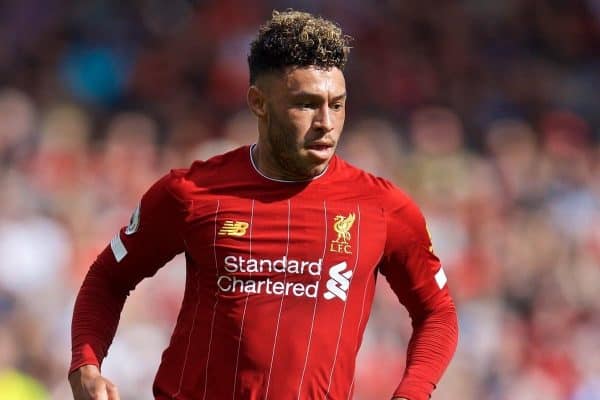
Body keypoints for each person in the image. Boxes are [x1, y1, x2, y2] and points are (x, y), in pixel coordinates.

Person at [69, 10, 458, 400]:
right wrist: (86, 364)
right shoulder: (190, 192)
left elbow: (437, 313)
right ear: (258, 102)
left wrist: (413, 392)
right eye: (306, 104)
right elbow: (108, 278)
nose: (326, 122)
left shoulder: (380, 206)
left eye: (336, 105)